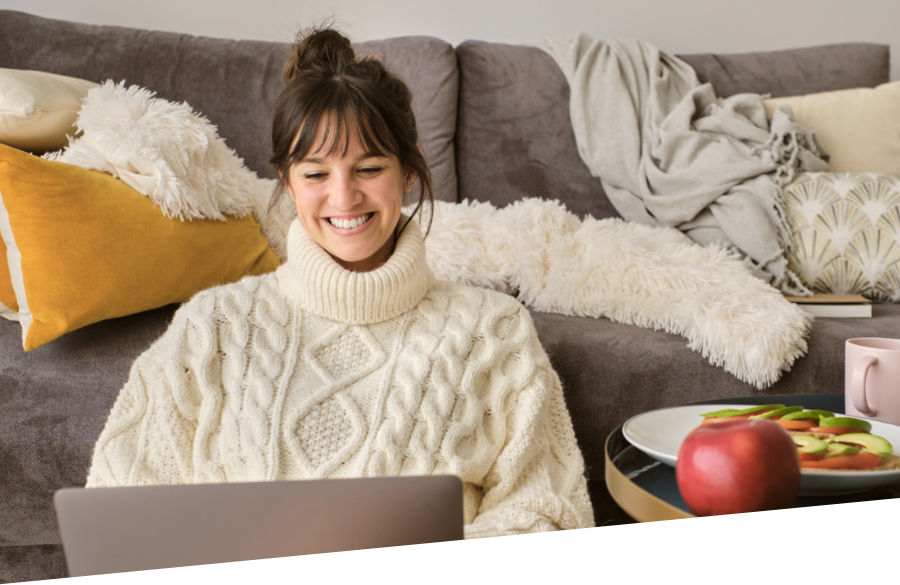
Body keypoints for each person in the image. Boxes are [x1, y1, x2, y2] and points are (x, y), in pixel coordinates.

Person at [86, 27, 595, 538]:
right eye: (315, 175)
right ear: (287, 182)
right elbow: (119, 502)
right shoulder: (212, 325)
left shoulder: (495, 330)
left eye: (368, 167)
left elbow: (547, 509)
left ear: (408, 171)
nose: (344, 197)